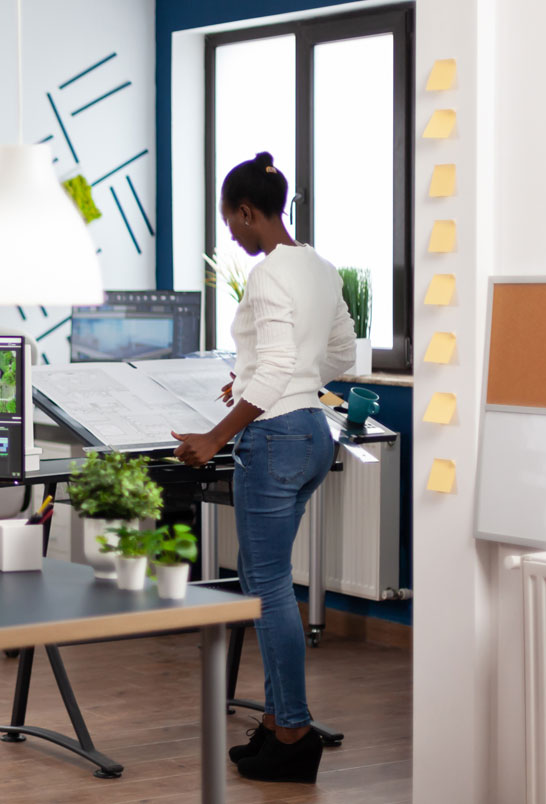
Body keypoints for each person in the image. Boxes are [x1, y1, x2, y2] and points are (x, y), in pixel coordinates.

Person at [170, 151, 354, 784]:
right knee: (268, 581)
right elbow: (340, 353)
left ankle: (295, 732)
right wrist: (256, 377)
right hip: (312, 434)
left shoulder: (270, 273)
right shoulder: (321, 268)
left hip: (274, 437)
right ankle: (277, 728)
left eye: (230, 222)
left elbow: (279, 366)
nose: (231, 235)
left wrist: (214, 436)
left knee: (267, 587)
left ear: (248, 211)